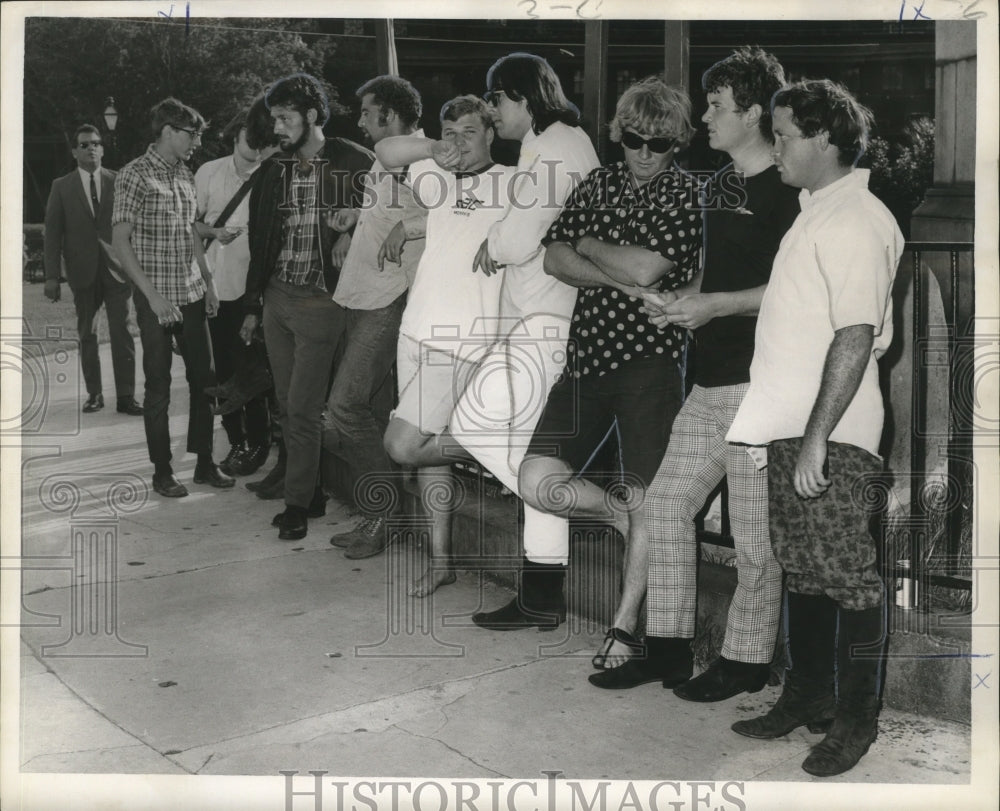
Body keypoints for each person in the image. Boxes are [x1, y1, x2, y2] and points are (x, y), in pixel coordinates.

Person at [590, 47, 799, 696]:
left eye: (716, 106)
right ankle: (671, 647)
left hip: (764, 384)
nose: (704, 117)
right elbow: (718, 270)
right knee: (666, 504)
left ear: (755, 112)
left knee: (757, 540)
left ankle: (745, 660)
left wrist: (714, 304)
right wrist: (687, 306)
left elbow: (796, 290)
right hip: (710, 378)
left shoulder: (791, 193)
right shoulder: (722, 183)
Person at [726, 79, 903, 777]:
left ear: (826, 138)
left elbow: (856, 335)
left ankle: (856, 722)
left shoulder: (856, 219)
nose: (777, 146)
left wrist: (819, 437)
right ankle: (808, 696)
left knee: (849, 579)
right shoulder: (816, 211)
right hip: (795, 429)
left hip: (831, 436)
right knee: (804, 571)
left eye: (786, 133)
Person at [516, 76, 702, 665]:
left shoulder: (685, 194)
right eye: (635, 140)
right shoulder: (598, 181)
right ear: (619, 135)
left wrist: (590, 244)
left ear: (678, 144)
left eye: (661, 143)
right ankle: (619, 515)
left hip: (650, 366)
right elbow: (554, 256)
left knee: (650, 494)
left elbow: (650, 266)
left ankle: (625, 627)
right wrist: (610, 261)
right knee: (537, 480)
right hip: (587, 359)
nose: (645, 153)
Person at [444, 52, 601, 619]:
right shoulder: (563, 141)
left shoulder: (554, 149)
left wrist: (496, 236)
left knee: (472, 426)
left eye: (497, 99)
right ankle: (540, 597)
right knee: (530, 455)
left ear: (525, 98)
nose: (492, 111)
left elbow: (515, 242)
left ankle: (605, 509)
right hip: (547, 318)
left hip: (545, 321)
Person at [374, 95, 515, 591]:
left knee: (403, 445)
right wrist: (433, 148)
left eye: (469, 132)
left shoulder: (513, 184)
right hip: (415, 327)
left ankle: (495, 444)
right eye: (450, 132)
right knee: (428, 453)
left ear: (491, 133)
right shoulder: (439, 175)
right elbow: (387, 151)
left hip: (462, 339)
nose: (458, 143)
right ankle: (441, 562)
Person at [241, 73, 374, 540]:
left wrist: (351, 229)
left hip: (322, 300)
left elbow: (388, 209)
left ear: (312, 116)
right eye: (274, 118)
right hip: (278, 297)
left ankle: (297, 504)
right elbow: (261, 241)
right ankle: (311, 490)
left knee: (301, 406)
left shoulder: (354, 160)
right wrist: (255, 304)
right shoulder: (273, 170)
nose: (277, 127)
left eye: (285, 118)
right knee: (286, 402)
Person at [322, 75, 428, 559]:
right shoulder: (388, 160)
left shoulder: (422, 155)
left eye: (367, 112)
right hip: (362, 295)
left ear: (389, 112)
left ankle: (386, 514)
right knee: (370, 409)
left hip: (388, 300)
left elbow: (455, 210)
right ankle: (383, 514)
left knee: (345, 406)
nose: (360, 120)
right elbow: (388, 211)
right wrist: (354, 218)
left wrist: (409, 226)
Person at [111, 98, 232, 497]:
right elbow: (121, 242)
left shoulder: (185, 174)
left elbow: (191, 233)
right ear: (168, 131)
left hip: (193, 293)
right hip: (156, 299)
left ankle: (203, 463)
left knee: (205, 381)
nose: (197, 141)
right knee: (159, 386)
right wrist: (153, 299)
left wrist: (209, 284)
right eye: (192, 134)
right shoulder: (134, 175)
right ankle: (162, 470)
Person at [194, 108, 277, 478]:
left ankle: (258, 443)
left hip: (256, 293)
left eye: (264, 142)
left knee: (254, 374)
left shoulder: (272, 176)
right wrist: (213, 233)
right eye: (251, 140)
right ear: (236, 134)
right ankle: (237, 441)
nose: (258, 149)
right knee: (223, 374)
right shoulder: (208, 172)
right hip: (214, 287)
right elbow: (190, 226)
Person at [44, 124, 141, 417]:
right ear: (75, 151)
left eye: (96, 143)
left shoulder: (119, 181)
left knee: (122, 331)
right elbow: (52, 233)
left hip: (117, 270)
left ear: (103, 148)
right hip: (81, 271)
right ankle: (94, 394)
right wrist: (51, 277)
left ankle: (126, 396)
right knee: (88, 334)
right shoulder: (61, 186)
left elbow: (134, 226)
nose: (91, 148)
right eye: (84, 144)